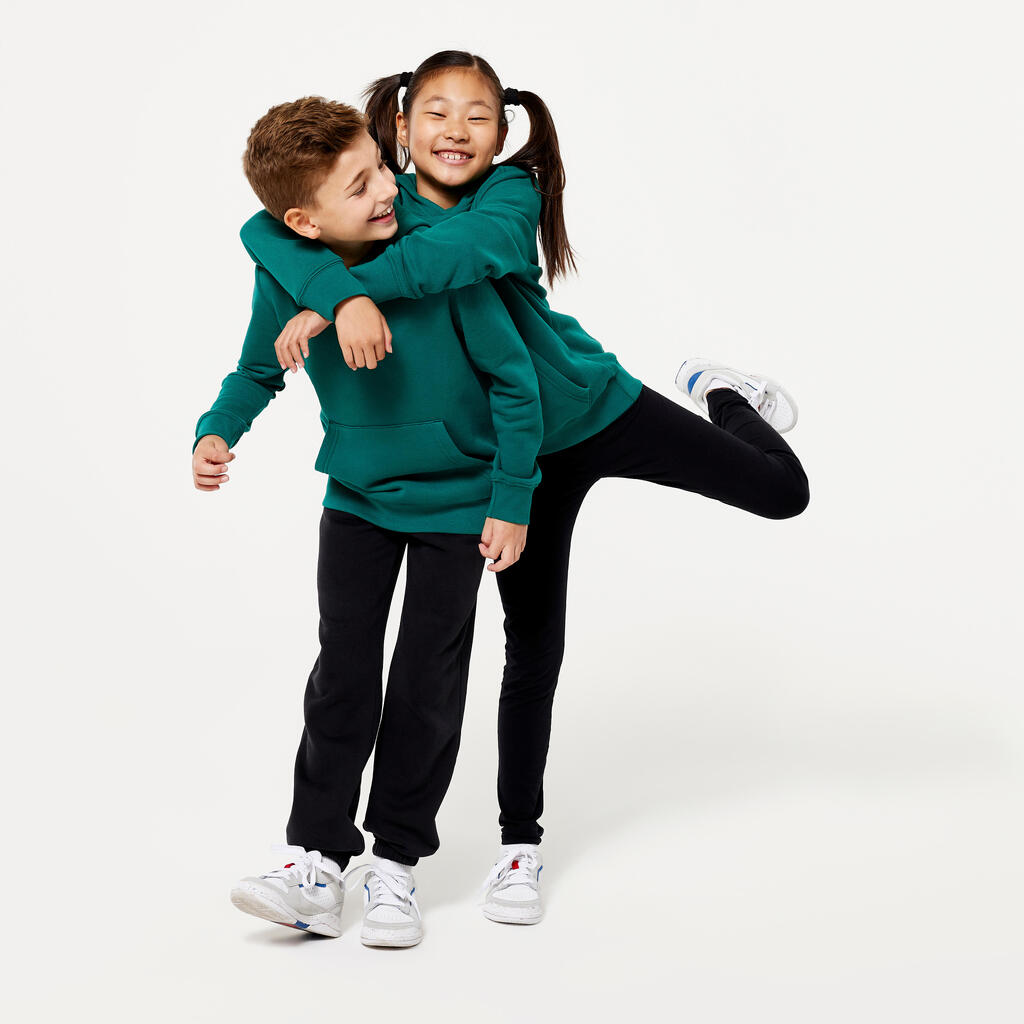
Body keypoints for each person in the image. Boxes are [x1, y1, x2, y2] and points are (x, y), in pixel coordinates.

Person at [237, 51, 810, 926]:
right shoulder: (380, 198)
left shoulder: (509, 194)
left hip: (592, 406)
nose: (457, 131)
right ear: (399, 128)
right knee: (532, 648)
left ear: (505, 131)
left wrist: (338, 296)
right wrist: (337, 295)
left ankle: (724, 395)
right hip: (510, 453)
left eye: (479, 116)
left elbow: (466, 253)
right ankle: (519, 843)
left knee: (781, 490)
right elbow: (264, 232)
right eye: (435, 113)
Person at [193, 96, 551, 947]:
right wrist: (216, 429)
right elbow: (257, 369)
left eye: (380, 167)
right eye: (359, 186)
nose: (390, 187)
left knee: (427, 685)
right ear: (303, 222)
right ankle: (317, 861)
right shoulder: (287, 272)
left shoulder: (438, 258)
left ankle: (395, 862)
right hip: (355, 501)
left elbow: (515, 383)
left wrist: (511, 500)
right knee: (342, 677)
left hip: (455, 509)